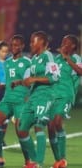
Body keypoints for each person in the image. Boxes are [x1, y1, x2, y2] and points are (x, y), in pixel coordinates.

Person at [17, 31, 59, 168]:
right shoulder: (34, 59)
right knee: (22, 129)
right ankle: (34, 160)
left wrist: (34, 79)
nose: (30, 44)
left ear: (41, 42)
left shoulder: (48, 57)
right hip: (33, 97)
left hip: (46, 95)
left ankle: (38, 162)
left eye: (32, 42)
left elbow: (54, 77)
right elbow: (31, 80)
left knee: (39, 125)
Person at [0, 35, 31, 166]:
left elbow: (29, 82)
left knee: (21, 132)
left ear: (22, 46)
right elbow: (7, 81)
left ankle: (28, 161)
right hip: (7, 100)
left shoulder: (27, 62)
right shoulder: (7, 62)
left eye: (17, 45)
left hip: (21, 101)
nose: (14, 47)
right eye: (12, 45)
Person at [48, 34, 81, 168]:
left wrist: (66, 58)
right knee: (50, 127)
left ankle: (63, 159)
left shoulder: (76, 58)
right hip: (53, 95)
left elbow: (80, 71)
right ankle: (58, 160)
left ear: (73, 46)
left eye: (66, 43)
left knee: (57, 121)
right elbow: (51, 76)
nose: (63, 44)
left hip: (66, 96)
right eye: (62, 42)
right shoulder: (56, 59)